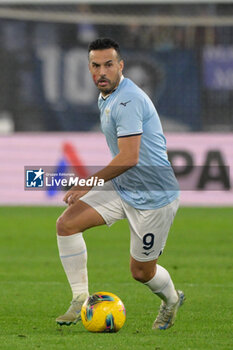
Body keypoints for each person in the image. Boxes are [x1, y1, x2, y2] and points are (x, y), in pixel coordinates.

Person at [56, 38, 185, 330]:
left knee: (141, 272)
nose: (102, 72)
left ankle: (171, 300)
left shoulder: (128, 100)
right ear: (89, 68)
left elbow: (129, 157)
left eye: (108, 65)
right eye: (95, 65)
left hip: (154, 197)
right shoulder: (106, 96)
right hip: (124, 186)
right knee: (67, 224)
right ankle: (79, 299)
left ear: (121, 66)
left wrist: (88, 182)